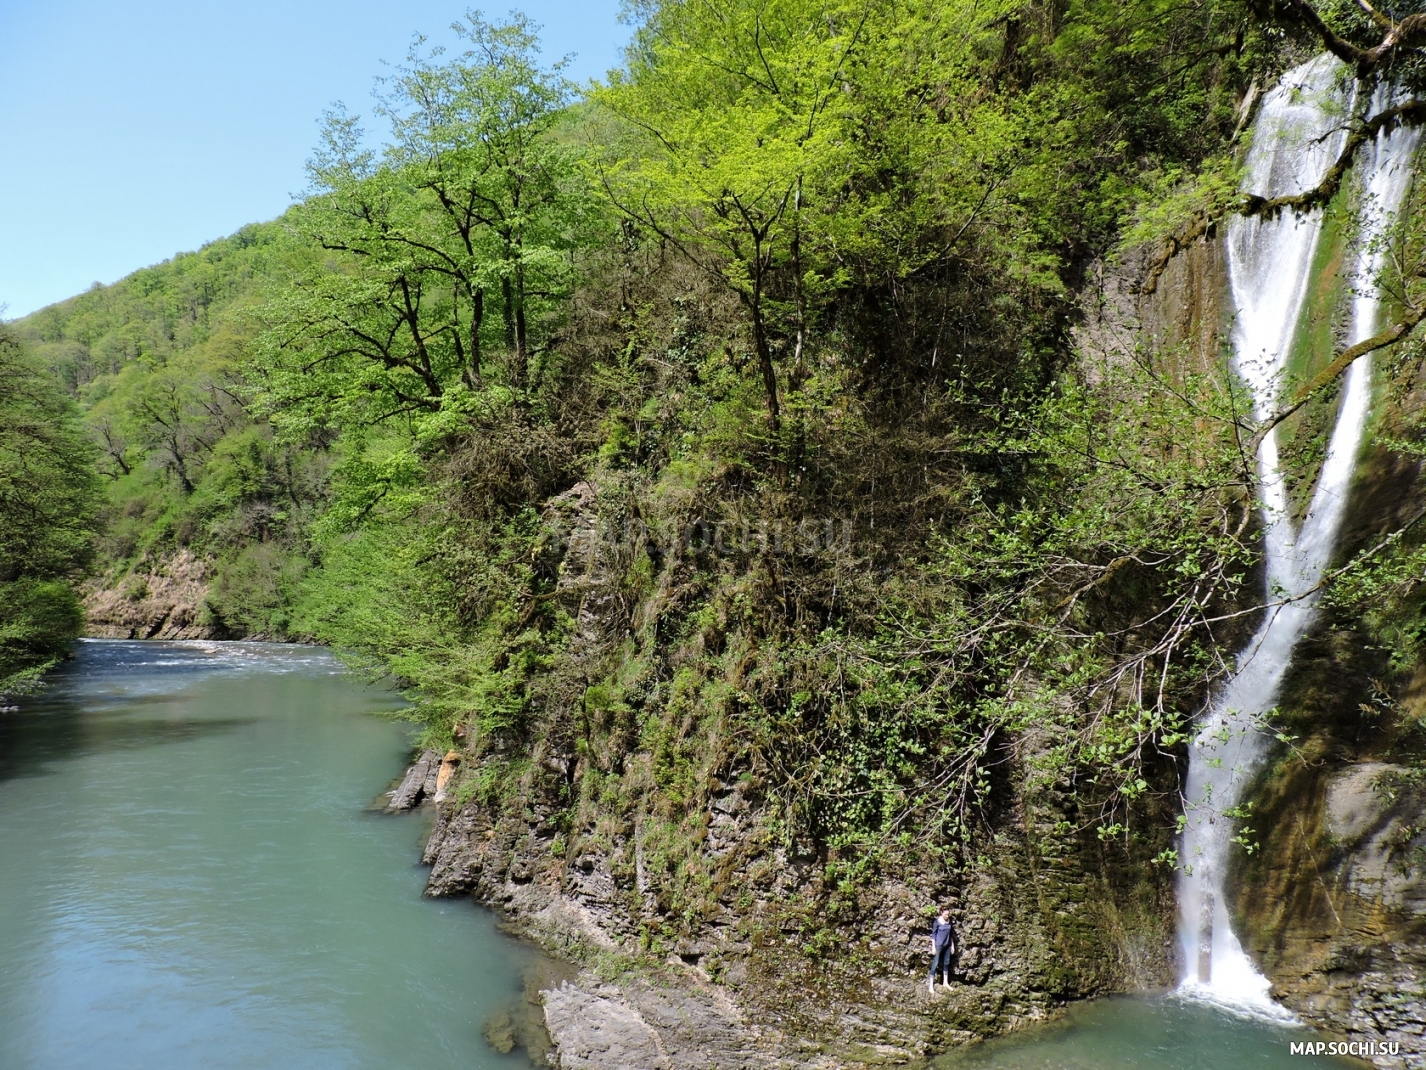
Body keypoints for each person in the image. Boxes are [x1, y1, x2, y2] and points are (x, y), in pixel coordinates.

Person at [927, 908, 955, 993]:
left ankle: (945, 982)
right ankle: (930, 985)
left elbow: (950, 935)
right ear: (941, 913)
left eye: (948, 914)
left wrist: (952, 945)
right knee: (935, 963)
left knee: (946, 962)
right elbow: (933, 935)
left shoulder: (949, 921)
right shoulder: (937, 922)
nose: (947, 916)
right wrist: (933, 947)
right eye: (945, 914)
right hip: (939, 945)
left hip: (947, 945)